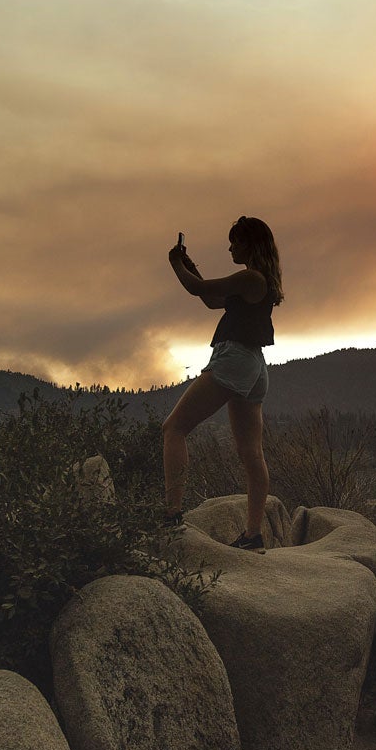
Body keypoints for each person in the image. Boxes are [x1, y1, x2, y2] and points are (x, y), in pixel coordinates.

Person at [163, 216, 283, 551]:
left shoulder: (250, 277)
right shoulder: (260, 281)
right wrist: (191, 268)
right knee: (251, 453)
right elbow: (211, 300)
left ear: (249, 244)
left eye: (234, 241)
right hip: (255, 366)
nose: (230, 247)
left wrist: (176, 264)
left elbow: (197, 290)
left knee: (173, 429)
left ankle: (172, 514)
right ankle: (253, 534)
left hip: (234, 359)